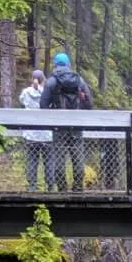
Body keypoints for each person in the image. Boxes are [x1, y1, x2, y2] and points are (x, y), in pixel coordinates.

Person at [39, 52, 93, 191]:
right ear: (68, 64)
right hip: (76, 124)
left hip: (59, 126)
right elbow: (89, 103)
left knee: (59, 157)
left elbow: (43, 105)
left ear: (55, 64)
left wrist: (52, 115)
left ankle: (62, 189)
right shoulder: (79, 80)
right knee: (78, 156)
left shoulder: (51, 81)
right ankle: (78, 188)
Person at [19, 69, 55, 192]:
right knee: (49, 161)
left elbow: (22, 102)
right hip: (47, 134)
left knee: (32, 161)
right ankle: (50, 186)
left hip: (31, 134)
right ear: (43, 79)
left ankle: (32, 186)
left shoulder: (25, 93)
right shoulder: (47, 92)